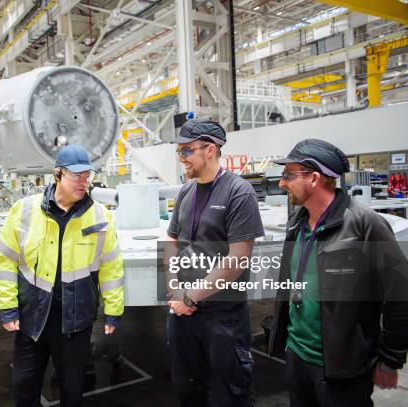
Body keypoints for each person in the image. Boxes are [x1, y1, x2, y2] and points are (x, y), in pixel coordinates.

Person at [268, 139, 408, 406]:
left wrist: (391, 358)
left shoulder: (366, 225)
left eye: (289, 175)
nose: (282, 183)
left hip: (343, 367)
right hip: (297, 356)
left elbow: (399, 294)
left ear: (314, 179)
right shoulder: (296, 224)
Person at [0, 144, 124, 407]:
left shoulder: (100, 216)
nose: (83, 182)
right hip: (34, 318)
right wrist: (7, 307)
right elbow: (5, 259)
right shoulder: (25, 210)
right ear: (58, 174)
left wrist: (113, 309)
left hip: (76, 321)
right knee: (24, 386)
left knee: (72, 388)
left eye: (87, 176)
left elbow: (111, 266)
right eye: (76, 176)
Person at [165, 119, 264, 406]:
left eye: (186, 151)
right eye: (179, 152)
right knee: (188, 389)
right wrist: (173, 287)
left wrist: (191, 297)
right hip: (183, 315)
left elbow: (237, 260)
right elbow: (172, 239)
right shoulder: (186, 191)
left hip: (223, 318)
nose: (181, 158)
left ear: (210, 150)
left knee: (229, 394)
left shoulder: (238, 192)